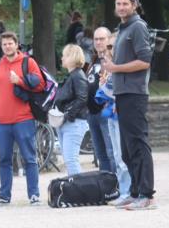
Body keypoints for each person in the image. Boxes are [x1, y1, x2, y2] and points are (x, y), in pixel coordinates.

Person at [101, 0, 156, 210]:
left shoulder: (138, 27)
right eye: (118, 3)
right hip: (122, 93)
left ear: (134, 5)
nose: (121, 7)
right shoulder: (122, 29)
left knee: (138, 145)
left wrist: (116, 68)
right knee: (126, 148)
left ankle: (147, 195)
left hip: (135, 93)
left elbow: (145, 61)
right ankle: (134, 192)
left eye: (125, 3)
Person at [0, 31, 43, 206]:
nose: (7, 46)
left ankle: (34, 195)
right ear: (1, 46)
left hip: (23, 118)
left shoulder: (28, 62)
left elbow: (40, 84)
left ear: (17, 44)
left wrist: (20, 81)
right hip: (2, 121)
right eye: (4, 44)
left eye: (10, 43)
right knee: (4, 159)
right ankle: (4, 196)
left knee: (29, 158)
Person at [94, 33, 132, 198]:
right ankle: (122, 189)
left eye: (111, 46)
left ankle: (127, 190)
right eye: (108, 46)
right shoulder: (107, 65)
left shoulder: (122, 65)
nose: (108, 50)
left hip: (121, 112)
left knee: (122, 155)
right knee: (116, 155)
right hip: (110, 112)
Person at [54, 44, 90, 175]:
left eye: (65, 55)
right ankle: (75, 189)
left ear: (72, 57)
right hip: (68, 122)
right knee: (69, 160)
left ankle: (78, 191)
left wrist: (68, 115)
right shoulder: (73, 76)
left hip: (73, 123)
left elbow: (82, 98)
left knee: (71, 159)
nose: (62, 58)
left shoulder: (77, 76)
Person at [84, 27, 115, 174]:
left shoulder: (111, 60)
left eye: (101, 39)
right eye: (95, 39)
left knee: (111, 152)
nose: (98, 42)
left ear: (109, 40)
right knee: (100, 154)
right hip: (91, 113)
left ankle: (117, 185)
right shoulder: (94, 60)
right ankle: (106, 186)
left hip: (106, 112)